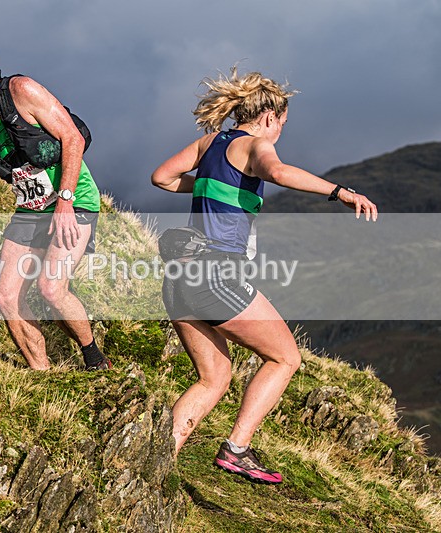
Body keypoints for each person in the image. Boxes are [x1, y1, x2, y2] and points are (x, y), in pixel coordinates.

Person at [151, 67, 377, 484]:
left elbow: (161, 178)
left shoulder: (211, 142)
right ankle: (236, 450)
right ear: (270, 117)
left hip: (178, 279)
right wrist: (340, 192)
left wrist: (210, 184)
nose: (280, 134)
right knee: (285, 357)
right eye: (283, 125)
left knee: (214, 377)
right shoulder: (256, 145)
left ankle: (151, 463)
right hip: (214, 274)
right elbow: (278, 172)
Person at [0, 41, 111, 371]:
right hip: (31, 209)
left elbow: (72, 138)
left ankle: (93, 358)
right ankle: (41, 374)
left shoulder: (21, 91)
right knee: (5, 295)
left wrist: (64, 203)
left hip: (73, 200)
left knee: (50, 287)